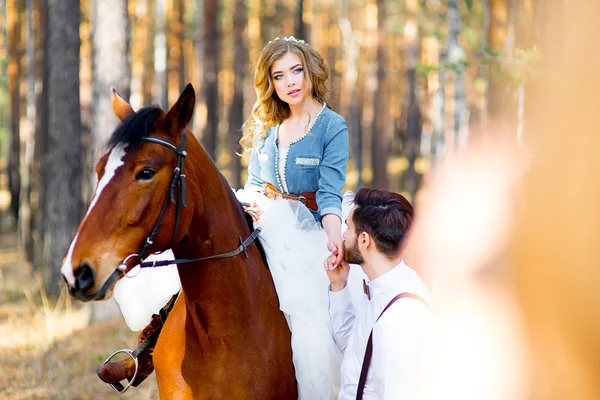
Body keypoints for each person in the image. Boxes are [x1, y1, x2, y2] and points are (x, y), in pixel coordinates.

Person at [98, 36, 351, 400]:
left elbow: (328, 194)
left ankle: (328, 378)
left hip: (308, 228)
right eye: (279, 76)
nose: (290, 82)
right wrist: (249, 206)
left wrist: (332, 237)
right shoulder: (268, 126)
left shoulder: (332, 127)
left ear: (310, 70)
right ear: (271, 83)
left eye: (296, 70)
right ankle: (148, 349)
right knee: (201, 254)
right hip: (261, 217)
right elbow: (255, 183)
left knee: (314, 315)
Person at [324, 188, 432, 399]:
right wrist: (339, 285)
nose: (343, 236)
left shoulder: (400, 318)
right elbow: (356, 354)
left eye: (348, 228)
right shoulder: (383, 285)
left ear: (364, 240)